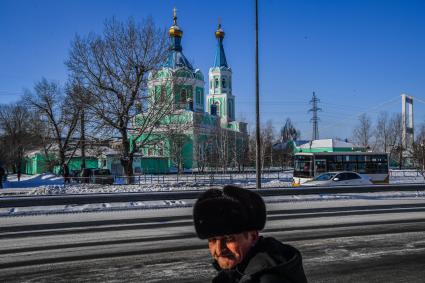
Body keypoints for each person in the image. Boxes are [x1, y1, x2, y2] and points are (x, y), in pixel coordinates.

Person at [193, 185, 308, 283]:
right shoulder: (240, 271)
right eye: (212, 240)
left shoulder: (267, 279)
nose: (219, 249)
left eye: (228, 238)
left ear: (253, 237)